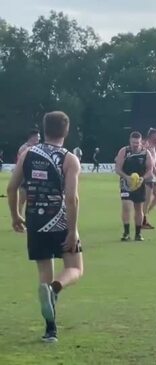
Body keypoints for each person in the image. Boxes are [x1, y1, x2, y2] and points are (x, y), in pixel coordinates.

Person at [6, 111, 84, 342]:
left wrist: (15, 216)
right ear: (66, 131)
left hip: (35, 220)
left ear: (44, 129)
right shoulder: (69, 159)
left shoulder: (27, 154)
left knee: (44, 272)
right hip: (59, 219)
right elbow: (72, 198)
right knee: (75, 268)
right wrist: (72, 230)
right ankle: (55, 289)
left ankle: (50, 331)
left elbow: (12, 188)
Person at [115, 132, 154, 242]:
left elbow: (150, 170)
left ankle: (138, 233)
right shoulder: (124, 151)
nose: (135, 144)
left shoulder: (146, 153)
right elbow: (118, 168)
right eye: (133, 142)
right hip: (126, 183)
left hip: (139, 183)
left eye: (137, 142)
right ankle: (126, 233)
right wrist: (126, 177)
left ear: (141, 142)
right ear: (130, 141)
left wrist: (142, 178)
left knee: (138, 208)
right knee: (126, 206)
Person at [17, 129, 41, 212]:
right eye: (38, 137)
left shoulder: (38, 148)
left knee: (35, 199)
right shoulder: (24, 148)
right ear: (32, 137)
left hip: (35, 177)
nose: (39, 138)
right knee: (22, 199)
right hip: (25, 176)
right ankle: (19, 216)